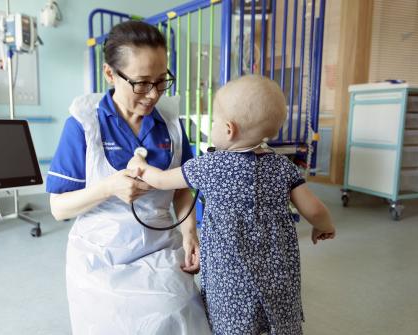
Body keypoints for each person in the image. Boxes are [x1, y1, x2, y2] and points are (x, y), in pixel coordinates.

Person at [128, 74, 336, 335]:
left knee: (232, 325)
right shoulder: (284, 167)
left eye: (213, 121)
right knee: (279, 319)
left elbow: (160, 180)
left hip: (230, 279)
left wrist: (141, 166)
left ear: (228, 129)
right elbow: (314, 209)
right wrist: (323, 227)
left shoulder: (210, 166)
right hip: (278, 272)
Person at [46, 21, 211, 335]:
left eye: (162, 81)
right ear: (110, 74)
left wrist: (191, 234)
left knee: (177, 312)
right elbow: (59, 208)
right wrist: (109, 187)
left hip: (160, 244)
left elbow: (181, 188)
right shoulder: (84, 124)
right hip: (102, 254)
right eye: (142, 83)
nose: (153, 95)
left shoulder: (171, 125)